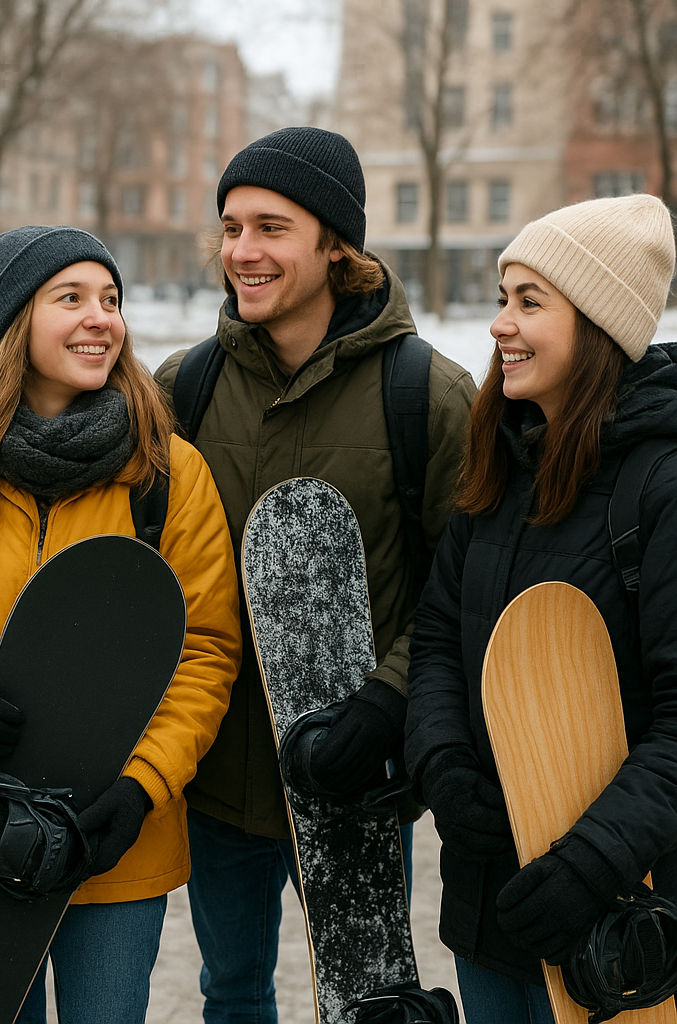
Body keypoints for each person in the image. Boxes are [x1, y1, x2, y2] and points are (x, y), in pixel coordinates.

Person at [0, 224, 242, 1023]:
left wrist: (142, 788)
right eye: (71, 298)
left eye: (111, 300)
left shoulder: (167, 474)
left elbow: (205, 653)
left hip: (113, 840)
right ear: (14, 323)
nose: (101, 317)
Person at [154, 126, 476, 1023]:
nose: (242, 253)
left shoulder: (427, 395)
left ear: (338, 244)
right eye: (230, 228)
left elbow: (464, 593)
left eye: (271, 227)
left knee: (369, 998)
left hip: (357, 778)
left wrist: (383, 707)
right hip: (217, 771)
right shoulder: (185, 389)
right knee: (231, 993)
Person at [404, 193, 677, 1024]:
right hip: (492, 906)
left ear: (597, 324)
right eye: (500, 299)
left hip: (619, 919)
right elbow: (440, 642)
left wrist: (590, 865)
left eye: (530, 302)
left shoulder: (660, 486)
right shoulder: (501, 462)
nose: (499, 325)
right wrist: (446, 770)